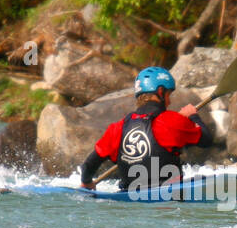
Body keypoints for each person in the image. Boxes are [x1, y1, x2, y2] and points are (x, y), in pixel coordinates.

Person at [80, 66, 214, 193]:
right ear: (160, 92)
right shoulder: (172, 121)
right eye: (168, 95)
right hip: (167, 200)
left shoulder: (117, 128)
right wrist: (193, 116)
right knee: (204, 179)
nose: (170, 102)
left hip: (128, 197)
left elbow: (88, 166)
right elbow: (207, 140)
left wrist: (87, 183)